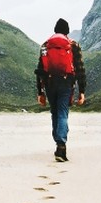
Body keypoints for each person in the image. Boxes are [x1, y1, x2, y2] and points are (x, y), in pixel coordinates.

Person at [35, 18, 86, 162]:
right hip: (66, 83)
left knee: (55, 112)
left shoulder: (45, 45)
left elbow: (40, 70)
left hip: (49, 83)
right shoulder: (73, 45)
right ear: (67, 32)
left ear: (55, 31)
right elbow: (80, 69)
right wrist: (82, 91)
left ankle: (57, 140)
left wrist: (40, 92)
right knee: (63, 112)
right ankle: (61, 146)